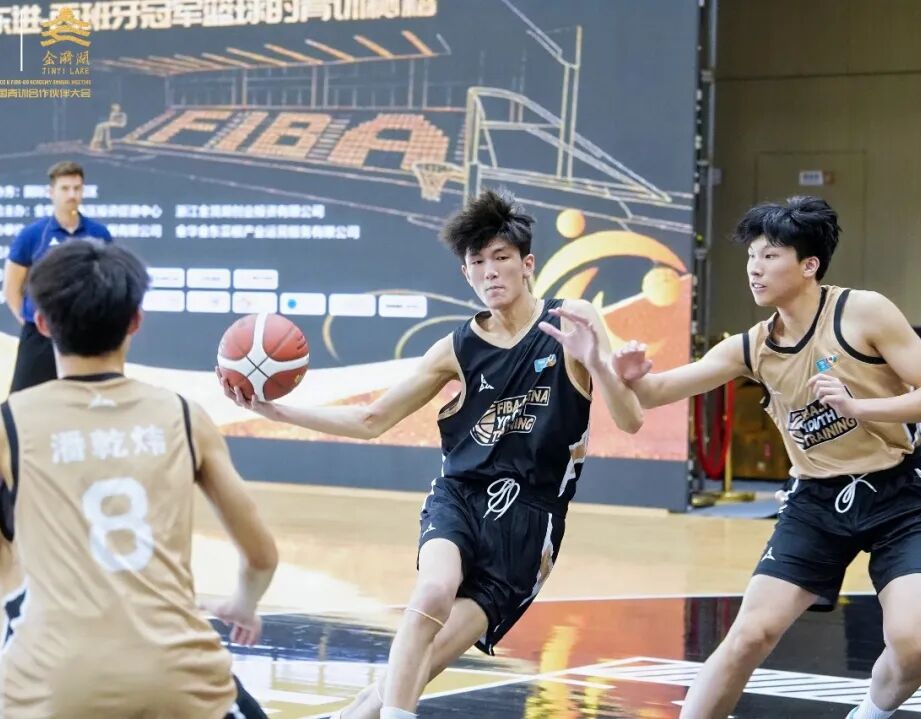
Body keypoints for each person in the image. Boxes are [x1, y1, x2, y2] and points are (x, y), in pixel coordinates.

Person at [220, 189, 644, 719]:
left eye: (501, 258)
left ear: (527, 264)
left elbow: (631, 419)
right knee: (431, 595)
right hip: (460, 496)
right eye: (477, 263)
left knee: (426, 659)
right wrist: (276, 412)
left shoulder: (572, 321)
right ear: (466, 274)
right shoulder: (456, 348)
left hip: (528, 524)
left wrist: (599, 364)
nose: (490, 272)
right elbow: (372, 420)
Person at [549, 195, 921, 719]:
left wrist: (859, 407)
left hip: (900, 497)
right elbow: (652, 393)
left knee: (915, 645)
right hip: (816, 503)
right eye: (751, 257)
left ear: (809, 265)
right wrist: (610, 368)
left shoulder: (862, 312)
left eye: (770, 256)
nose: (754, 269)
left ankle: (869, 713)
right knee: (749, 635)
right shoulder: (752, 346)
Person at [0, 241, 277, 718]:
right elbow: (261, 555)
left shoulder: (5, 424)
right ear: (135, 322)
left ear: (42, 323)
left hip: (50, 688)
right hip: (177, 680)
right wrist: (243, 602)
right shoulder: (185, 417)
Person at [2, 160, 113, 393]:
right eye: (65, 188)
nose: (72, 194)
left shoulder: (99, 234)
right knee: (25, 401)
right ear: (51, 192)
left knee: (87, 400)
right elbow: (11, 288)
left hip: (85, 335)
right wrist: (30, 322)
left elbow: (109, 283)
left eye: (77, 188)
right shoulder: (32, 235)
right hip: (40, 336)